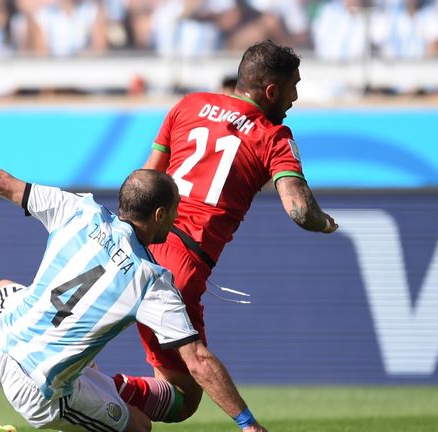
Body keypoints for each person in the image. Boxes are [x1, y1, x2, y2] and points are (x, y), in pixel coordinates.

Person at [0, 118, 267, 432]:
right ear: (161, 215)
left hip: (0, 338)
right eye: (175, 210)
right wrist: (247, 422)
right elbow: (196, 360)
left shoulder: (80, 209)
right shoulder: (151, 280)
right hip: (40, 390)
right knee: (140, 427)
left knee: (1, 290)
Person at [118, 39, 338, 423]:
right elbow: (300, 210)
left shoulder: (187, 105)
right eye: (293, 87)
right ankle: (99, 389)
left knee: (140, 400)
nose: (296, 97)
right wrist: (325, 223)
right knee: (182, 399)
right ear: (271, 91)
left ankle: (84, 402)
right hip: (181, 266)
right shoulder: (274, 137)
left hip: (136, 242)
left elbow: (145, 178)